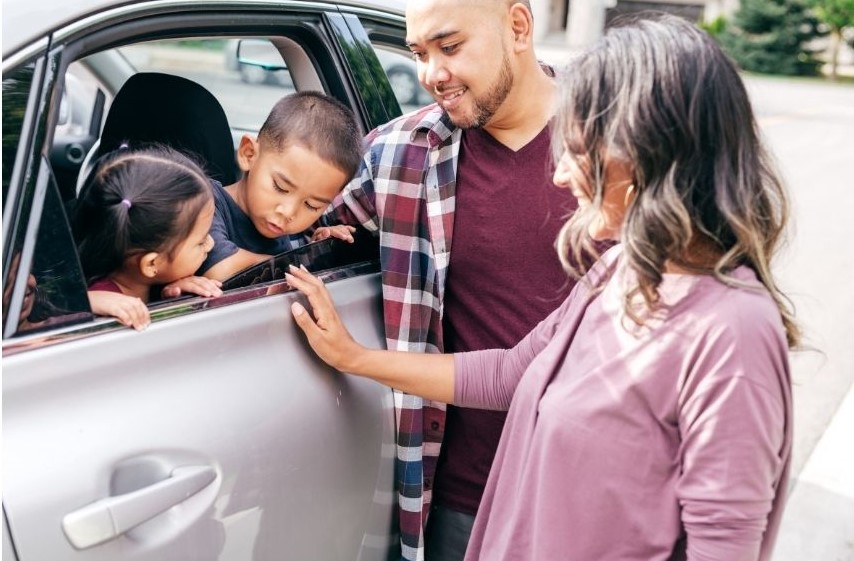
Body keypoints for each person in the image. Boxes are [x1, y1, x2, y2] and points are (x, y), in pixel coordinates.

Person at [287, 13, 798, 561]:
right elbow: (511, 371)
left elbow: (724, 544)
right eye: (419, 52)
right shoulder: (616, 275)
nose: (559, 173)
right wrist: (353, 357)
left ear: (647, 149)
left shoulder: (733, 331)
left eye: (579, 148)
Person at [319, 0, 576, 558]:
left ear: (517, 26)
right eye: (419, 53)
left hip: (590, 492)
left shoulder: (617, 143)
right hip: (460, 499)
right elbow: (299, 232)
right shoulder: (399, 155)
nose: (432, 74)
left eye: (450, 47)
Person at [197, 91, 363, 281]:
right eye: (280, 187)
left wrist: (317, 248)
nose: (288, 212)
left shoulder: (288, 228)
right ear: (249, 154)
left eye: (312, 205)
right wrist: (301, 263)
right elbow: (220, 270)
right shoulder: (204, 203)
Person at [74, 145, 223, 330]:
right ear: (152, 264)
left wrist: (169, 299)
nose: (211, 244)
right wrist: (84, 304)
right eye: (201, 241)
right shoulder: (103, 313)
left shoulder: (150, 287)